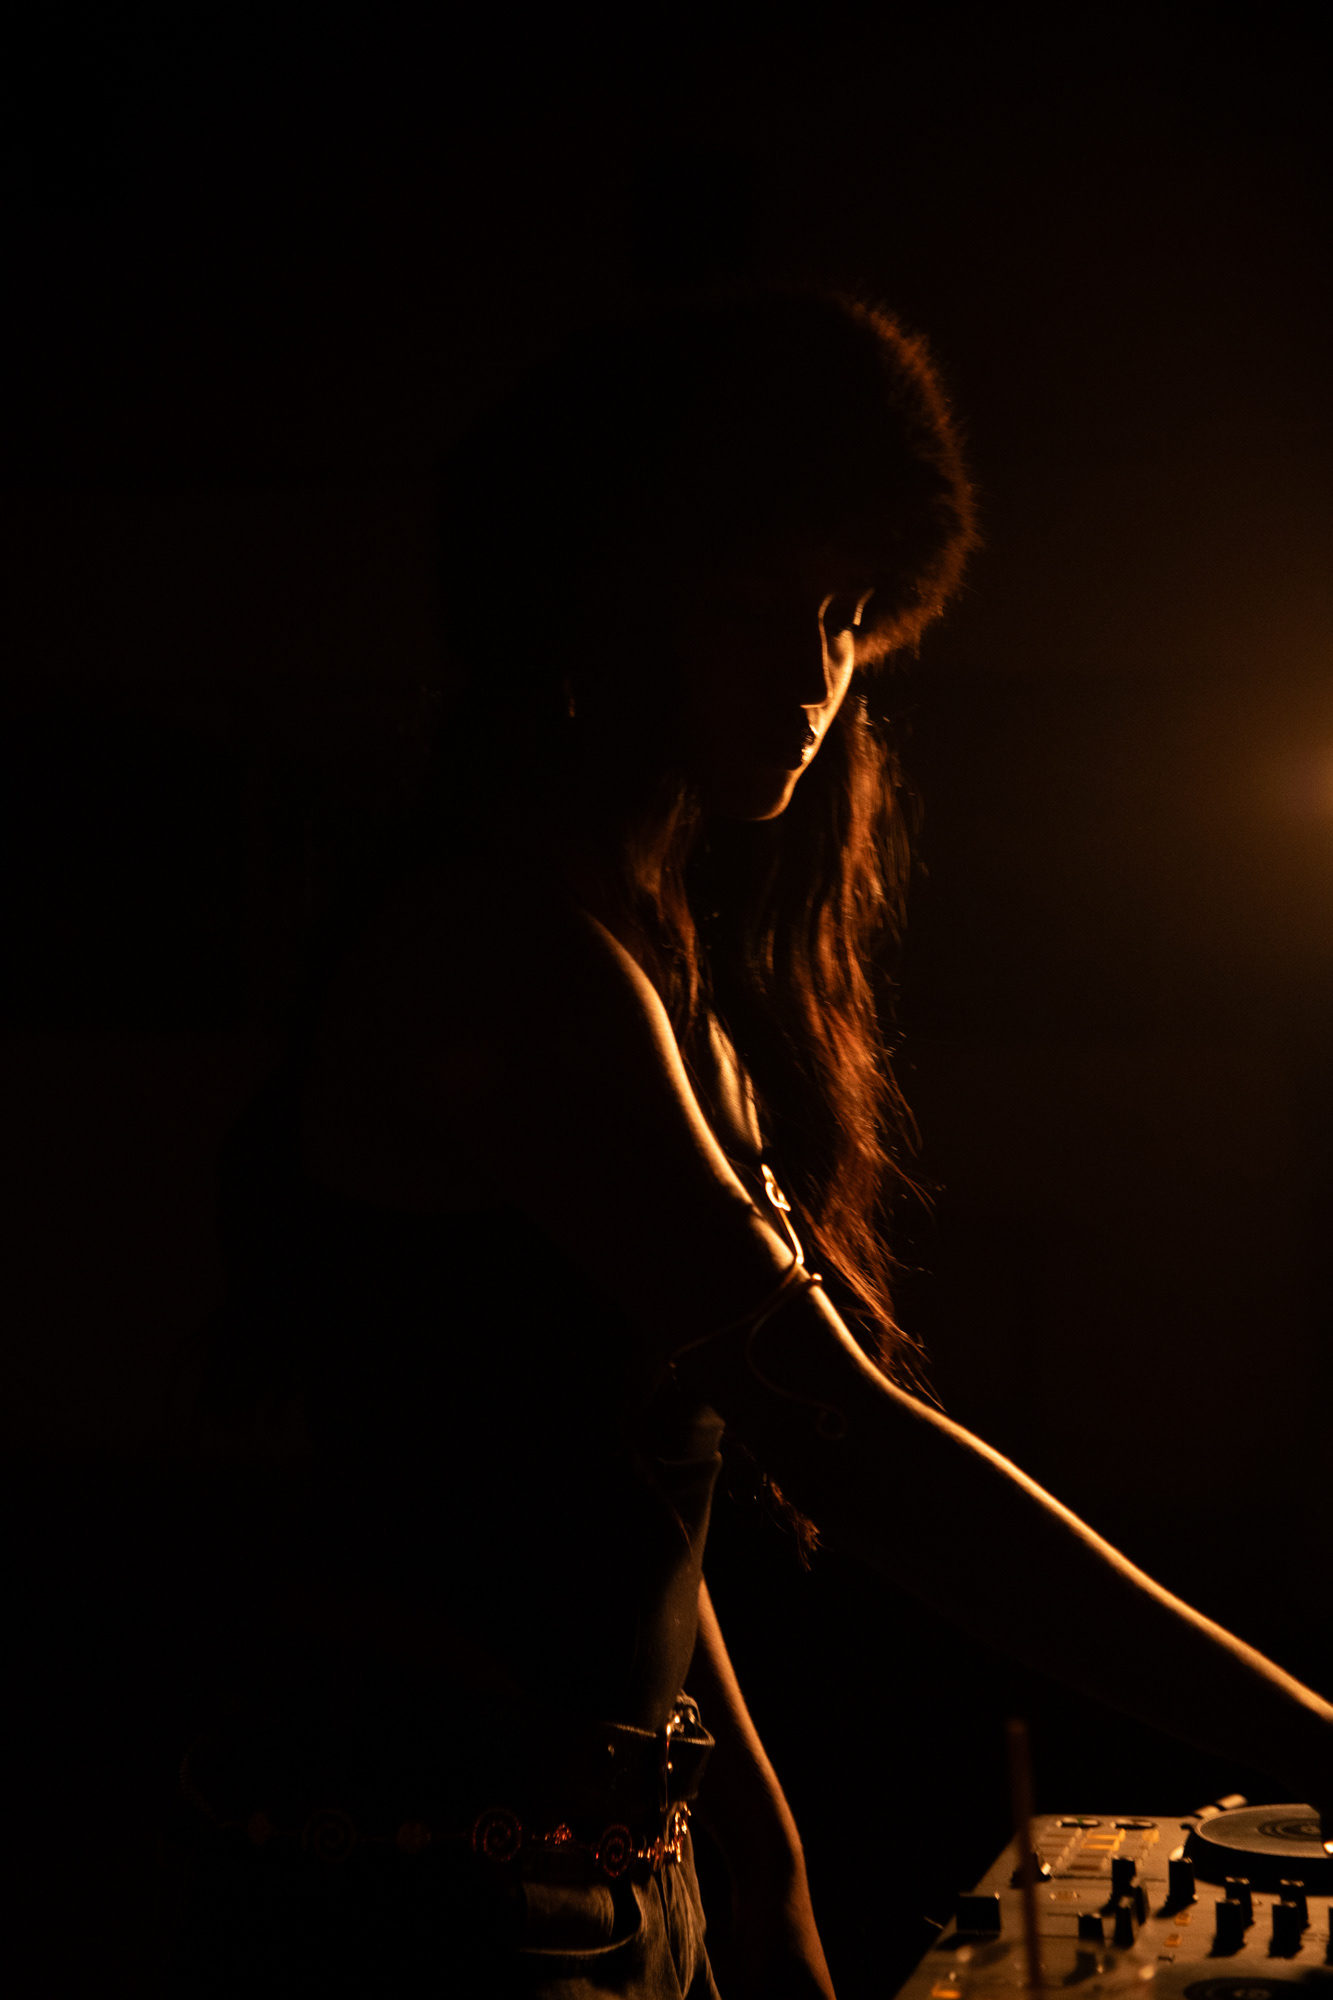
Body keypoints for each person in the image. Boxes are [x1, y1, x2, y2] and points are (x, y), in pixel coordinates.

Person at [168, 289, 1333, 1999]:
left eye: (848, 617)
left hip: (592, 1871)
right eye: (743, 607)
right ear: (593, 601)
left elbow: (637, 1488)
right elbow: (840, 1441)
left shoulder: (653, 963)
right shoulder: (504, 956)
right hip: (425, 1900)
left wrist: (757, 1875)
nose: (809, 677)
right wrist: (1311, 1734)